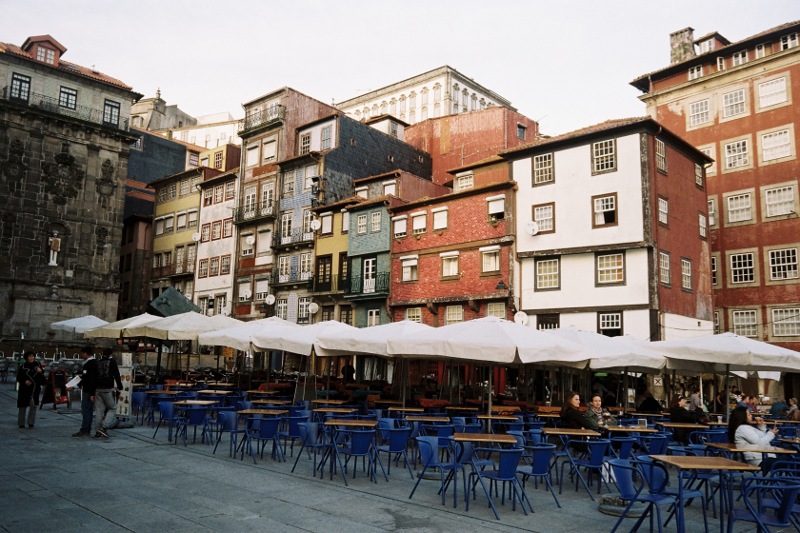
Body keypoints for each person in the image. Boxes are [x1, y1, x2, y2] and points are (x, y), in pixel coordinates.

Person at [727, 405, 779, 472]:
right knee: (789, 461)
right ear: (742, 417)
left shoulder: (745, 428)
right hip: (759, 460)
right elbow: (759, 443)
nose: (751, 416)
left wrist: (761, 427)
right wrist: (771, 433)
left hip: (761, 457)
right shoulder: (743, 428)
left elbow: (760, 439)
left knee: (787, 460)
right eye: (749, 415)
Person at [93, 348, 123, 439]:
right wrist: (120, 386)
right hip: (107, 388)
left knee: (99, 410)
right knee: (112, 408)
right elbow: (116, 375)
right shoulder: (112, 362)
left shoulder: (98, 362)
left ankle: (97, 431)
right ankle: (104, 427)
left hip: (98, 389)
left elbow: (94, 376)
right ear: (110, 354)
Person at [70, 346, 97, 438]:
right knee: (90, 410)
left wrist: (74, 386)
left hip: (88, 390)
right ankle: (87, 428)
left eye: (82, 354)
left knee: (86, 410)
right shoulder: (96, 362)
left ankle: (85, 429)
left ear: (85, 353)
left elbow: (86, 379)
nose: (82, 355)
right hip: (93, 390)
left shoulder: (88, 364)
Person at [16, 351, 45, 428]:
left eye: (33, 356)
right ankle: (21, 423)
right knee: (22, 406)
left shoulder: (37, 365)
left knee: (33, 405)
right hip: (25, 389)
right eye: (29, 356)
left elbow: (42, 376)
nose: (31, 358)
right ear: (26, 358)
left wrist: (41, 371)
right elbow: (19, 377)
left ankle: (31, 422)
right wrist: (25, 381)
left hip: (35, 388)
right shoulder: (23, 367)